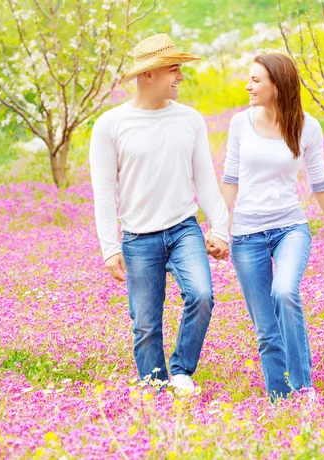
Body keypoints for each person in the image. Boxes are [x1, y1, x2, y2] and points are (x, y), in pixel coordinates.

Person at [209, 53, 324, 401]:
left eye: (256, 80)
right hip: (246, 236)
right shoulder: (239, 123)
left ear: (278, 85)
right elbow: (230, 179)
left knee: (285, 293)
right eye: (249, 79)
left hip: (290, 228)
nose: (248, 86)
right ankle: (281, 400)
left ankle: (304, 388)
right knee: (266, 331)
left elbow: (320, 184)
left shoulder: (308, 127)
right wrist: (218, 228)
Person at [89, 34, 229, 394]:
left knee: (201, 295)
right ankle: (154, 390)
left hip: (184, 228)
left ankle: (182, 369)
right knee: (145, 324)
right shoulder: (110, 125)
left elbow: (205, 180)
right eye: (174, 70)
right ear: (149, 74)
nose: (180, 77)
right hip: (137, 237)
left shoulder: (190, 120)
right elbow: (104, 192)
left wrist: (220, 228)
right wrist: (109, 248)